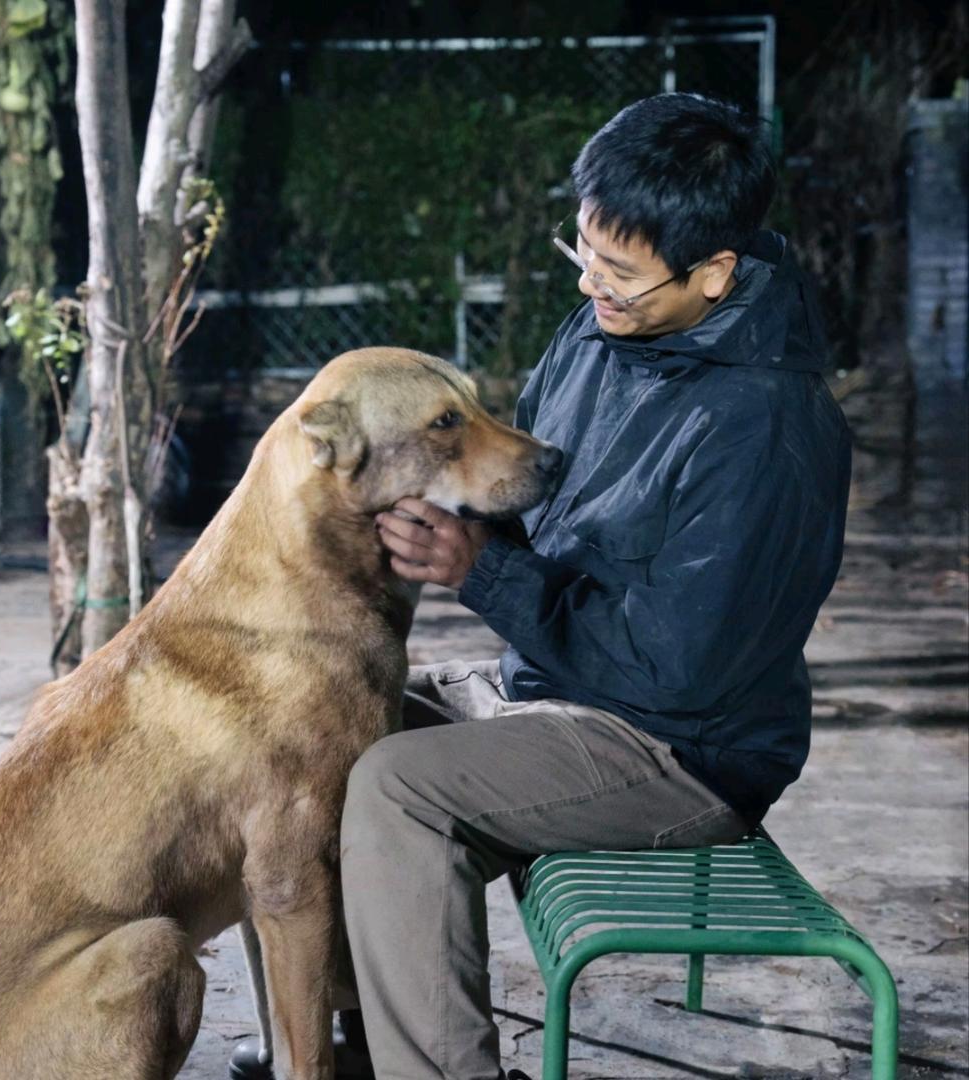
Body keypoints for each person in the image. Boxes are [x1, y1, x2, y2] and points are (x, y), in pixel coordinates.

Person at [339, 92, 852, 1080]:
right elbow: (527, 491)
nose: (591, 286)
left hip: (681, 746)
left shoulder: (765, 427)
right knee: (328, 723)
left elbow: (680, 669)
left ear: (714, 273)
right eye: (584, 251)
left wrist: (479, 569)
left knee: (396, 786)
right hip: (554, 687)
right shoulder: (601, 333)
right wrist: (431, 505)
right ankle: (355, 1043)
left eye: (619, 271)